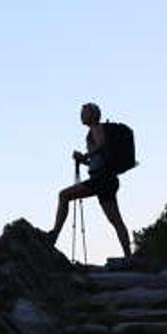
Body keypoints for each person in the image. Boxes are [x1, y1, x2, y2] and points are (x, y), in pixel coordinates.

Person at [47, 102, 132, 258]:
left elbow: (102, 145)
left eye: (84, 112)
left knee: (64, 195)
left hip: (101, 179)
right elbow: (98, 158)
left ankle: (53, 235)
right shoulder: (96, 131)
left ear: (92, 115)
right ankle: (129, 256)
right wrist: (83, 160)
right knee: (115, 220)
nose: (81, 115)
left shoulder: (96, 128)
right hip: (108, 179)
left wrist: (85, 155)